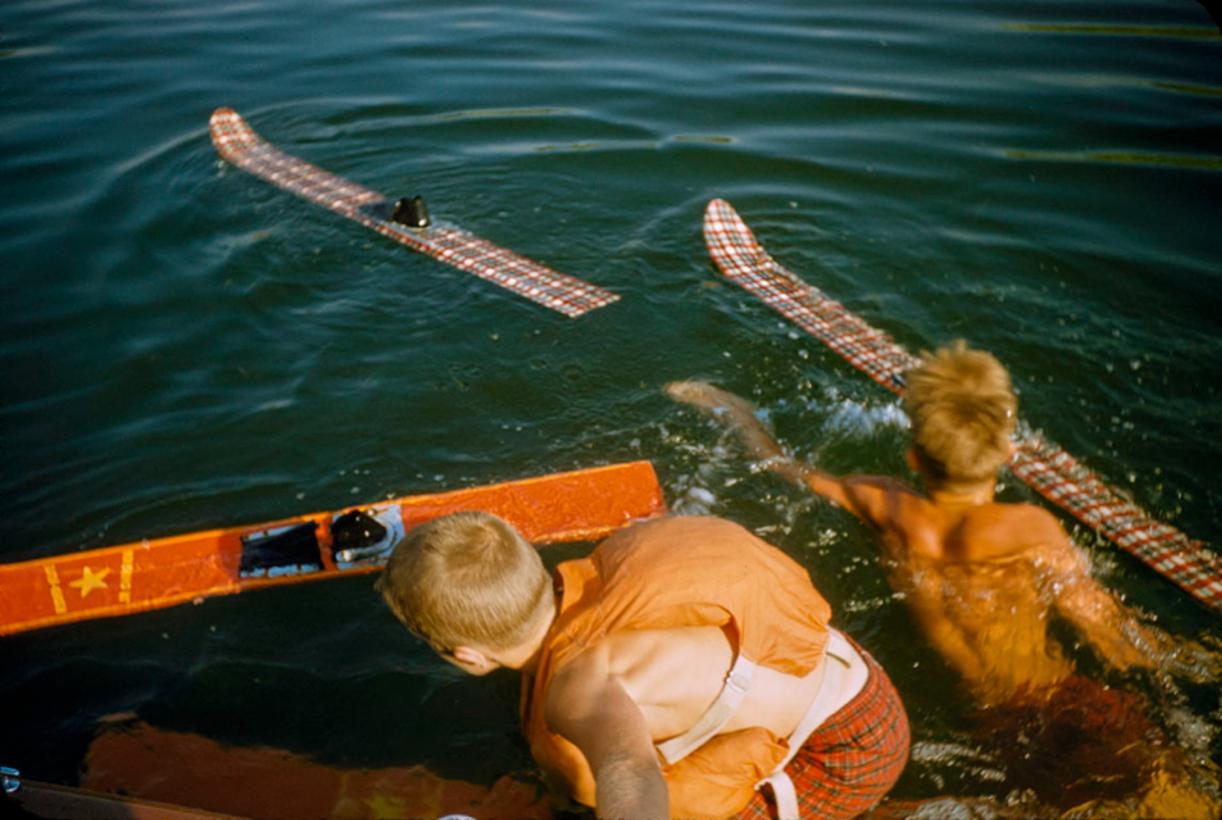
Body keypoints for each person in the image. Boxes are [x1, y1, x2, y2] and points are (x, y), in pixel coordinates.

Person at [667, 340, 1220, 815]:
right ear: (1005, 452)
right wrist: (1189, 653)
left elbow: (780, 465)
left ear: (913, 455)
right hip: (1067, 700)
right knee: (1171, 790)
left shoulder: (882, 502)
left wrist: (730, 407)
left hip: (990, 721)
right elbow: (1106, 626)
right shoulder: (1029, 528)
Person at [377, 511, 909, 819]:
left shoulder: (578, 689)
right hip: (853, 670)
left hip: (847, 751)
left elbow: (630, 769)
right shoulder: (619, 552)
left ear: (465, 655)